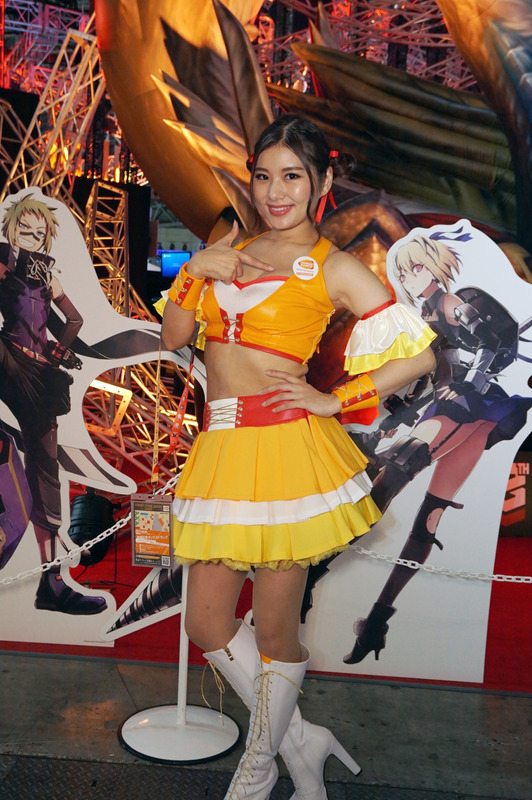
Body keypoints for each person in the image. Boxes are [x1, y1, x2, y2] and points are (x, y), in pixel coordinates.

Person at [161, 115, 436, 800]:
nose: (275, 192)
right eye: (263, 176)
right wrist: (194, 270)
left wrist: (336, 398)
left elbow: (419, 357)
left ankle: (257, 772)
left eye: (292, 176)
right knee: (205, 622)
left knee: (276, 632)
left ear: (321, 181)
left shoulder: (333, 265)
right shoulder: (230, 246)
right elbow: (174, 335)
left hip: (286, 455)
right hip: (222, 451)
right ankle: (302, 740)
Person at [344, 232, 532, 664]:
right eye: (404, 270)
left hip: (471, 405)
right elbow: (434, 374)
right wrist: (400, 413)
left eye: (416, 266)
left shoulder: (454, 304)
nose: (411, 276)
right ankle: (374, 621)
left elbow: (493, 345)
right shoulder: (422, 316)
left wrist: (470, 383)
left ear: (432, 264)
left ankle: (331, 590)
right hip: (462, 409)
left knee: (395, 489)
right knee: (423, 514)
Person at [0, 193, 107, 614]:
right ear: (11, 231)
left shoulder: (47, 277)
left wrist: (57, 352)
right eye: (23, 230)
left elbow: (75, 319)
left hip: (39, 375)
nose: (30, 237)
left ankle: (51, 582)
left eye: (38, 232)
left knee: (47, 473)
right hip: (7, 362)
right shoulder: (4, 263)